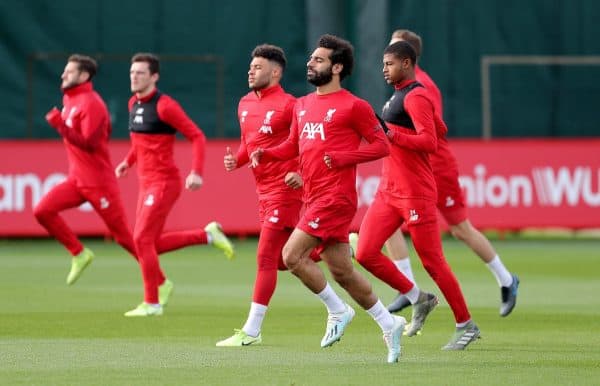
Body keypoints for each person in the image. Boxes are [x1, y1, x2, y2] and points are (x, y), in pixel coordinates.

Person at [249, 35, 406, 363]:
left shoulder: (354, 106)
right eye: (311, 59)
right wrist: (267, 153)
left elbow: (382, 146)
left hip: (335, 199)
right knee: (342, 272)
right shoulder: (303, 105)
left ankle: (337, 312)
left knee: (291, 256)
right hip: (312, 197)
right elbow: (293, 144)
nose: (310, 63)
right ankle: (388, 322)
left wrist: (344, 156)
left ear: (336, 67)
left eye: (318, 60)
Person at [353, 29, 519, 317]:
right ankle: (409, 289)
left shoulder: (421, 88)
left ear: (407, 57)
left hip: (435, 169)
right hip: (407, 171)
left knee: (460, 230)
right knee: (387, 224)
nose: (386, 61)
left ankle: (506, 279)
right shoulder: (400, 88)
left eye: (392, 52)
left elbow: (433, 133)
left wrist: (392, 136)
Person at [355, 40, 480, 350]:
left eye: (390, 63)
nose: (384, 68)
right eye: (383, 63)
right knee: (365, 252)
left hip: (415, 193)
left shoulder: (417, 95)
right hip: (389, 191)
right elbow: (441, 126)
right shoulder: (401, 96)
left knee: (433, 262)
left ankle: (466, 324)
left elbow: (430, 142)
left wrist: (392, 134)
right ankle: (418, 297)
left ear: (407, 63)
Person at [216, 44, 324, 347]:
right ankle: (330, 249)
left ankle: (252, 330)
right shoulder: (244, 103)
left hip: (286, 190)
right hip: (262, 192)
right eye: (251, 66)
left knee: (264, 258)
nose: (251, 71)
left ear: (276, 72)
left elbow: (308, 146)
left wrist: (302, 175)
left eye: (258, 67)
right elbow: (248, 144)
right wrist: (235, 161)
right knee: (283, 260)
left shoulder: (291, 105)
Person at [115, 53, 235, 317]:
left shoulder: (165, 106)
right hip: (144, 183)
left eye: (141, 73)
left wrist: (196, 172)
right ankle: (207, 235)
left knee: (141, 239)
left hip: (164, 182)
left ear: (154, 76)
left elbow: (197, 136)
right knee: (148, 244)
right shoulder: (132, 103)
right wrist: (127, 161)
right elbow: (140, 143)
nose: (134, 77)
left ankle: (152, 302)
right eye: (132, 72)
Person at [35, 54, 139, 286]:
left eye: (69, 71)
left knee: (124, 238)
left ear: (83, 76)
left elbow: (90, 144)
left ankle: (159, 281)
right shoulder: (70, 100)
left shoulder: (92, 103)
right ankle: (79, 253)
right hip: (77, 181)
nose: (63, 74)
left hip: (100, 183)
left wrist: (59, 125)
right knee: (42, 210)